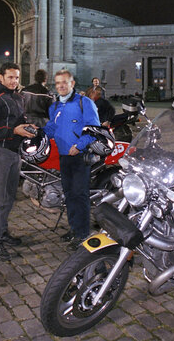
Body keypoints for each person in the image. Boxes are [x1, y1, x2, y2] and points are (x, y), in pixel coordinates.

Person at [0, 62, 36, 261]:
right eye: (10, 77)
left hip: (15, 152)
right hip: (0, 152)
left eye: (17, 77)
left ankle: (2, 232)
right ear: (0, 78)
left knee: (9, 197)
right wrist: (13, 131)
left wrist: (26, 126)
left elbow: (17, 122)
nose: (14, 81)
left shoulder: (17, 97)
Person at [43, 70, 100, 250]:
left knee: (80, 194)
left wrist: (79, 145)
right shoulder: (55, 106)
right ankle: (74, 229)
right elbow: (52, 128)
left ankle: (82, 233)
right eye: (58, 83)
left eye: (64, 82)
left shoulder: (85, 103)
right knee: (68, 194)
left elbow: (93, 129)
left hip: (80, 156)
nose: (60, 86)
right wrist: (37, 132)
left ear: (72, 83)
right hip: (64, 156)